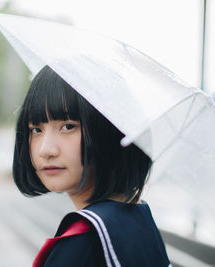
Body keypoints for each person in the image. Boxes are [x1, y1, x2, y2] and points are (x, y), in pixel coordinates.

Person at [12, 65, 171, 267]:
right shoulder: (140, 219)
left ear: (111, 130)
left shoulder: (82, 244)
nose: (46, 149)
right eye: (36, 130)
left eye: (68, 126)